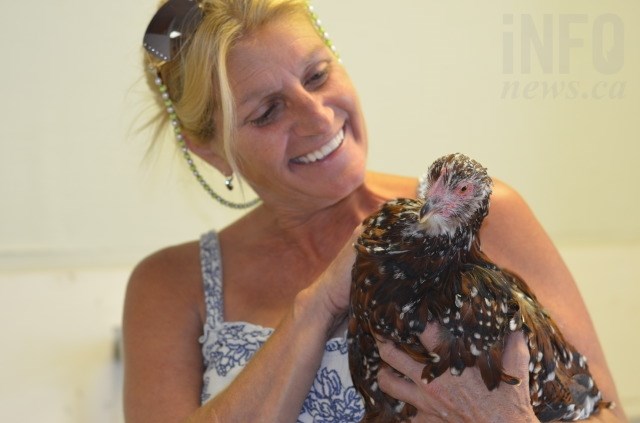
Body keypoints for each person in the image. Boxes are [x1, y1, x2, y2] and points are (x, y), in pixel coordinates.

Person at [123, 0, 627, 421]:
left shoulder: (487, 216)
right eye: (268, 111)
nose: (318, 118)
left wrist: (504, 417)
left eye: (317, 76)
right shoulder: (171, 286)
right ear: (210, 149)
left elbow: (605, 414)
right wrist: (316, 306)